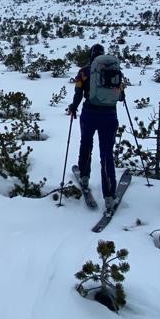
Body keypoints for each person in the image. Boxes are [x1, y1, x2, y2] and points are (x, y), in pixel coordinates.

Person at [66, 44, 123, 211]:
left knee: (86, 144)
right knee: (107, 154)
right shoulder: (114, 70)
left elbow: (78, 93)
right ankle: (109, 195)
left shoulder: (83, 72)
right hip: (110, 116)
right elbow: (120, 96)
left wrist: (73, 107)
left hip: (89, 114)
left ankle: (84, 176)